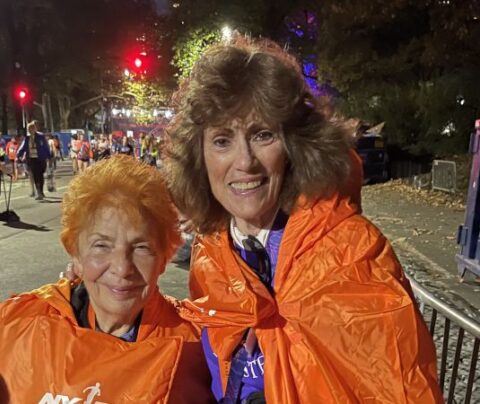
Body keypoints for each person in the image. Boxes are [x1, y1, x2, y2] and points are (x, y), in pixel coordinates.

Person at [164, 36, 443, 403]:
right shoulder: (212, 253)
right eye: (221, 140)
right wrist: (88, 289)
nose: (244, 161)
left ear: (295, 145)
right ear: (199, 156)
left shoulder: (351, 254)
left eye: (263, 135)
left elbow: (402, 386)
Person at [0, 156, 213, 404]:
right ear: (76, 254)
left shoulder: (198, 348)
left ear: (163, 257)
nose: (122, 268)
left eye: (141, 247)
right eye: (101, 245)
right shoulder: (14, 326)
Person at [17, 121, 51, 200]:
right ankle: (39, 192)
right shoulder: (27, 138)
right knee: (35, 175)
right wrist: (18, 154)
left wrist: (49, 156)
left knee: (40, 175)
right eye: (29, 129)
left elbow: (45, 146)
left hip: (41, 158)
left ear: (35, 129)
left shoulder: (41, 136)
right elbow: (23, 147)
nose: (30, 130)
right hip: (32, 159)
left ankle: (41, 190)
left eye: (32, 128)